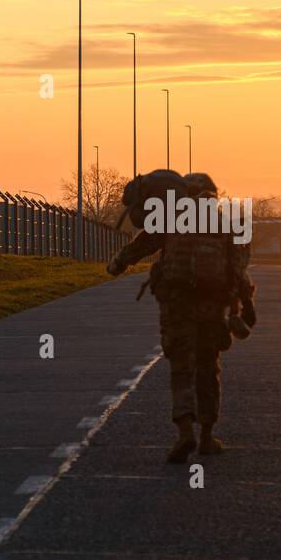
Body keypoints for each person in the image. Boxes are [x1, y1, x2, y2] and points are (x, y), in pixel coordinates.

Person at [107, 173, 255, 463]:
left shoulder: (172, 217)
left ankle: (184, 430)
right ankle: (207, 436)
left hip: (177, 303)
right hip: (212, 307)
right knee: (208, 367)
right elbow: (238, 267)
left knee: (182, 366)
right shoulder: (223, 221)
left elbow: (142, 244)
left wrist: (117, 263)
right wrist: (246, 305)